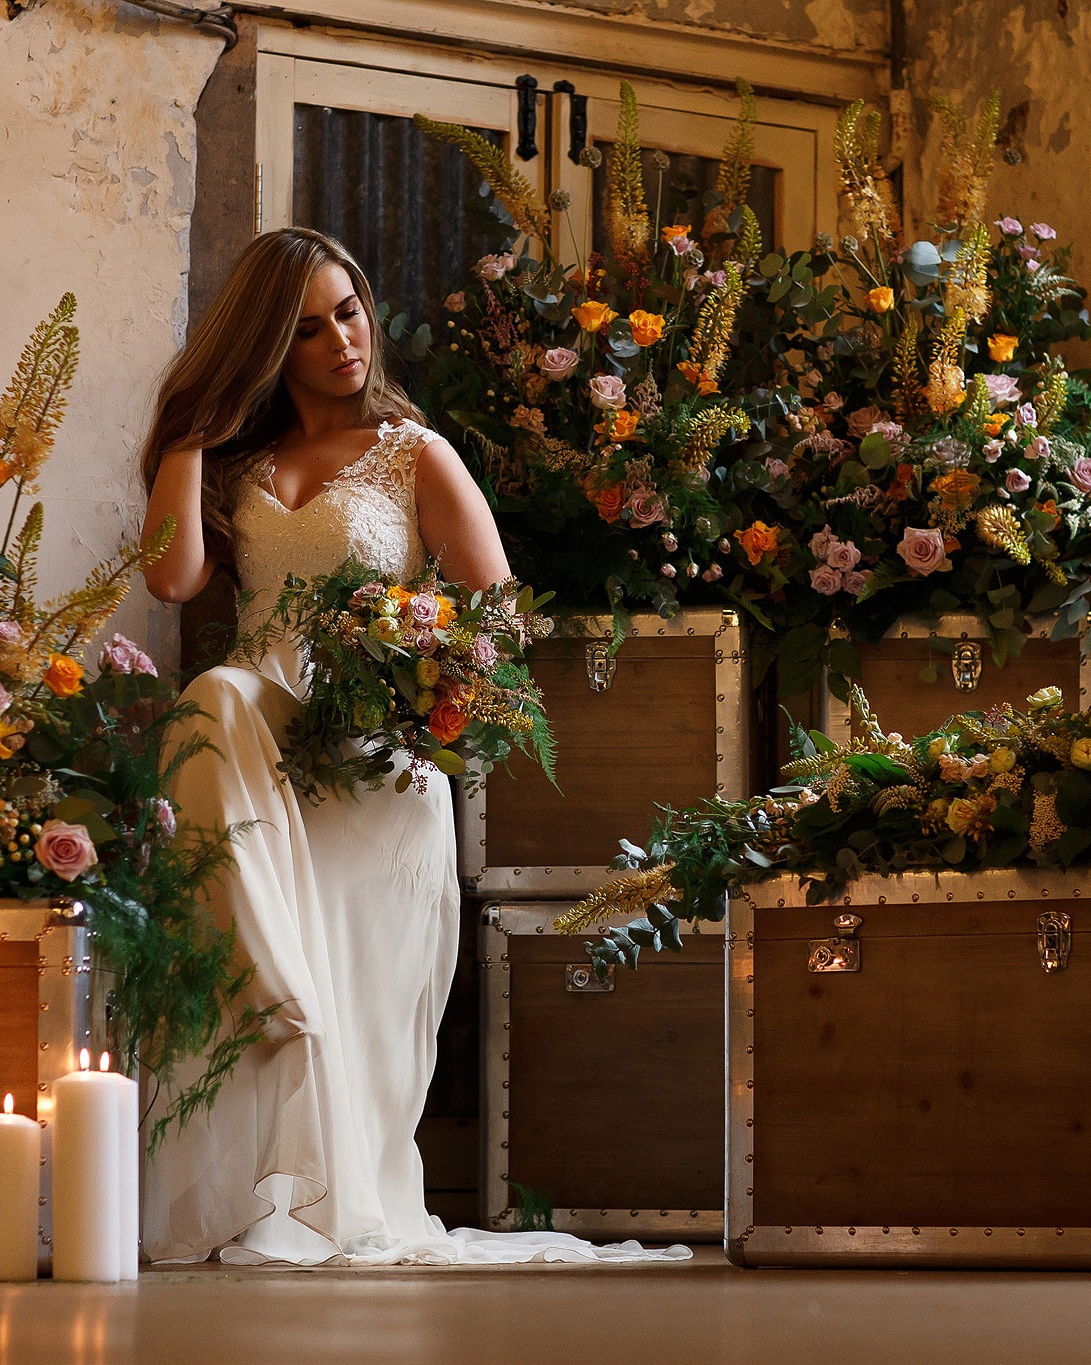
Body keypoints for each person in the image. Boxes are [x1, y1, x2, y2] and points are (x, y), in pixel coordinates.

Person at [137, 227, 685, 1267]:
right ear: (265, 349)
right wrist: (189, 435)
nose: (341, 341)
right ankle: (267, 1012)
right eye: (304, 329)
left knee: (358, 1015)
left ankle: (336, 1202)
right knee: (210, 695)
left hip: (373, 759)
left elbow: (499, 624)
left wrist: (404, 664)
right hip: (266, 749)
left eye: (347, 311)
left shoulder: (413, 451)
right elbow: (170, 582)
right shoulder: (239, 459)